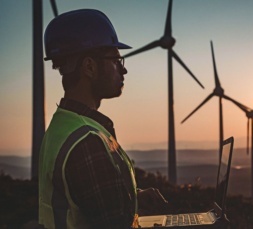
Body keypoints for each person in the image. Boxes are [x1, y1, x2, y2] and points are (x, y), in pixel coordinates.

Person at [39, 9, 167, 228]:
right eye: (116, 60)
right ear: (89, 67)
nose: (123, 70)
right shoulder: (87, 142)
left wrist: (134, 197)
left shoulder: (62, 126)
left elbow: (86, 199)